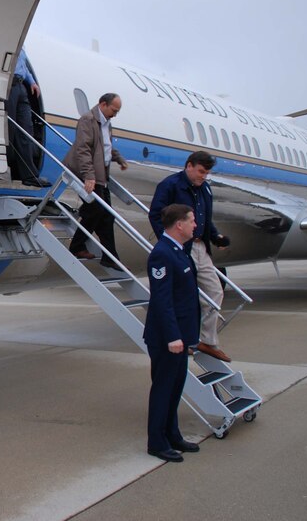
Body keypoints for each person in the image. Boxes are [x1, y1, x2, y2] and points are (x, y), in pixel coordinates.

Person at [148, 151, 232, 362]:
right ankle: (183, 338)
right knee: (181, 296)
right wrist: (170, 243)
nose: (204, 176)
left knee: (215, 291)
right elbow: (156, 214)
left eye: (207, 173)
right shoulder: (170, 185)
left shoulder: (205, 189)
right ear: (189, 166)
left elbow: (204, 219)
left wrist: (215, 236)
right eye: (201, 171)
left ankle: (207, 340)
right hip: (180, 248)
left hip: (200, 246)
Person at [144, 203, 201, 462]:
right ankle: (157, 442)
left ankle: (172, 434)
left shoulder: (179, 251)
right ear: (179, 224)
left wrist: (187, 338)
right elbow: (162, 300)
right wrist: (173, 337)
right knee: (163, 389)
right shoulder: (162, 254)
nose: (195, 225)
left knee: (176, 388)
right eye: (191, 221)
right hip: (167, 339)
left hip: (180, 337)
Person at [63, 93, 128, 265]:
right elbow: (83, 149)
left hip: (101, 176)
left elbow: (106, 148)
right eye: (114, 110)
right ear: (103, 104)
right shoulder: (88, 120)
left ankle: (110, 257)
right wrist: (88, 176)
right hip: (91, 175)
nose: (115, 114)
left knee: (107, 216)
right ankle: (77, 247)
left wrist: (119, 159)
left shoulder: (107, 124)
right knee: (95, 211)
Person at [6, 49, 49, 187]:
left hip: (20, 85)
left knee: (26, 130)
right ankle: (4, 169)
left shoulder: (21, 44)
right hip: (8, 83)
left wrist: (32, 82)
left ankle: (29, 175)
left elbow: (23, 66)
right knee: (9, 129)